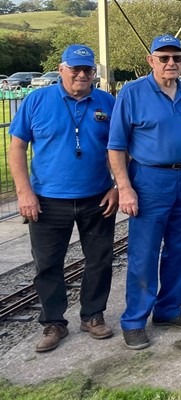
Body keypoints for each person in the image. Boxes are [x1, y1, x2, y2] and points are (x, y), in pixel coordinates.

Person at [9, 44, 117, 352]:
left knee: (99, 259)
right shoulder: (37, 101)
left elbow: (120, 148)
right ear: (62, 69)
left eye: (88, 70)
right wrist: (24, 192)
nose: (82, 75)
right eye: (75, 69)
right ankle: (53, 322)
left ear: (94, 72)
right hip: (46, 199)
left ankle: (93, 315)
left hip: (97, 197)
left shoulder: (107, 102)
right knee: (48, 264)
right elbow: (17, 148)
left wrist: (117, 188)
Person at [108, 34, 181, 350]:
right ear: (151, 60)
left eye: (176, 58)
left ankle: (168, 309)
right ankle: (135, 320)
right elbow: (116, 145)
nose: (171, 63)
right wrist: (124, 187)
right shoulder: (133, 93)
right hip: (149, 180)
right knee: (145, 251)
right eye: (163, 58)